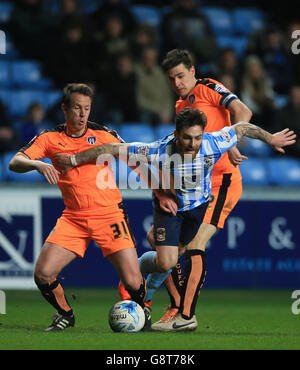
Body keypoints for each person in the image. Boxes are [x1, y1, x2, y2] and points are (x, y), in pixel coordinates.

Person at [53, 107, 296, 331]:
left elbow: (242, 127)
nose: (193, 144)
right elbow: (112, 149)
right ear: (176, 134)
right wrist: (74, 160)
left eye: (198, 137)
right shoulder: (157, 150)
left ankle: (147, 274)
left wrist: (271, 138)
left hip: (199, 207)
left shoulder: (213, 143)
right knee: (167, 262)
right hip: (169, 206)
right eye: (188, 138)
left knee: (170, 259)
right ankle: (137, 273)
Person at [8, 83, 149, 332]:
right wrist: (38, 165)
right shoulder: (50, 138)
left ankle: (142, 315)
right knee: (42, 274)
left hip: (109, 215)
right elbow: (15, 162)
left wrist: (160, 188)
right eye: (77, 108)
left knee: (133, 281)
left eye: (87, 108)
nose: (83, 114)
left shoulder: (103, 134)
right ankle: (65, 314)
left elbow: (134, 156)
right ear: (64, 108)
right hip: (74, 218)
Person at [135, 48, 253, 328]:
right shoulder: (180, 107)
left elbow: (243, 110)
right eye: (171, 78)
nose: (176, 82)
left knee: (196, 245)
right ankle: (168, 301)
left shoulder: (209, 87)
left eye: (180, 75)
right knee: (159, 242)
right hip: (194, 189)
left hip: (221, 181)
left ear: (192, 71)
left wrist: (233, 142)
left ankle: (185, 315)